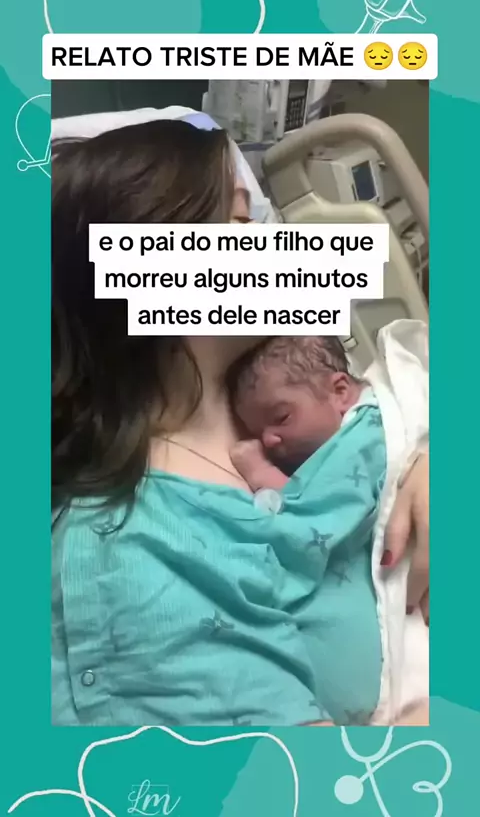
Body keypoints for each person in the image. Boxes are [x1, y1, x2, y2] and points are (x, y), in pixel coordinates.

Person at [52, 119, 429, 727]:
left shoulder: (262, 392)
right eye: (239, 222)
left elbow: (382, 416)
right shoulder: (139, 556)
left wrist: (421, 461)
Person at [229, 335, 369, 489]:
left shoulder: (363, 436)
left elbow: (327, 501)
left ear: (339, 391)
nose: (267, 441)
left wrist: (262, 472)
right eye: (256, 434)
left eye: (281, 417)